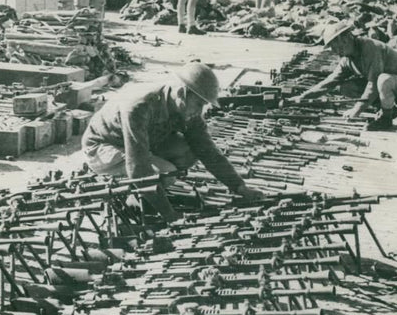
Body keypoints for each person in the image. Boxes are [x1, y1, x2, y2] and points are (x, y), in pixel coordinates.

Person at [81, 62, 264, 220]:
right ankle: (135, 199)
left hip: (140, 143)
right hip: (103, 147)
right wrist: (169, 214)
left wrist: (239, 187)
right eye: (199, 104)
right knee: (165, 172)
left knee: (189, 153)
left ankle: (149, 193)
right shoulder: (139, 107)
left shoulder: (185, 108)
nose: (200, 111)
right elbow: (139, 168)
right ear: (183, 93)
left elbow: (207, 151)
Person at [293, 23, 397, 131]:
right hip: (391, 84)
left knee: (383, 80)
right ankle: (387, 108)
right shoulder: (347, 59)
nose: (334, 50)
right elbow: (330, 82)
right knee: (347, 87)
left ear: (346, 38)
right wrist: (302, 97)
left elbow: (373, 83)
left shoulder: (371, 48)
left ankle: (386, 119)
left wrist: (356, 110)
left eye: (335, 45)